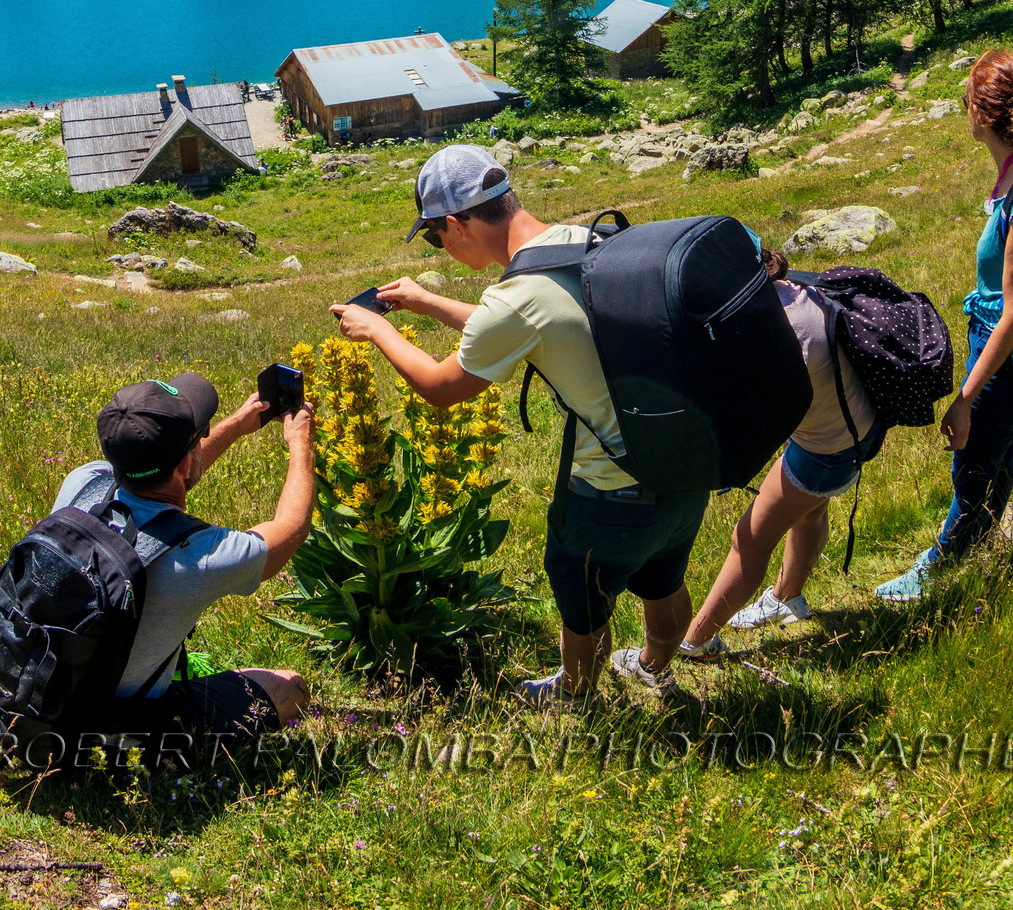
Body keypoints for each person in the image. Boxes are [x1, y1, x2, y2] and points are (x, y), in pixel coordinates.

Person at [330, 144, 709, 705]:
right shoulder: (585, 241)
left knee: (583, 600)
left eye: (435, 237)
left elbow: (441, 388)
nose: (440, 246)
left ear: (455, 225)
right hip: (682, 457)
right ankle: (655, 667)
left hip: (611, 483)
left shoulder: (515, 300)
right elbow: (533, 325)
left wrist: (379, 331)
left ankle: (577, 696)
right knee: (663, 577)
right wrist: (426, 302)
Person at [875, 50, 1013, 602]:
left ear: (983, 116)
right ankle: (978, 536)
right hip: (1008, 353)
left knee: (975, 463)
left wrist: (965, 396)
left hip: (1009, 359)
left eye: (967, 97)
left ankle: (938, 571)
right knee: (996, 453)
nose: (962, 106)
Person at [51, 369, 316, 758]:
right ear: (181, 464)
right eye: (199, 435)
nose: (205, 437)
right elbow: (291, 527)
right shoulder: (198, 555)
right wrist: (301, 445)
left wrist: (236, 428)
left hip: (41, 691)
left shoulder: (84, 482)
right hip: (113, 723)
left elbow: (162, 477)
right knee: (288, 687)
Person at [674, 246, 885, 653]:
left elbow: (747, 419)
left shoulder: (782, 334)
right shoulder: (798, 289)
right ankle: (788, 599)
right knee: (809, 511)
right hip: (854, 428)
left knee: (749, 540)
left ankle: (695, 642)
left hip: (826, 450)